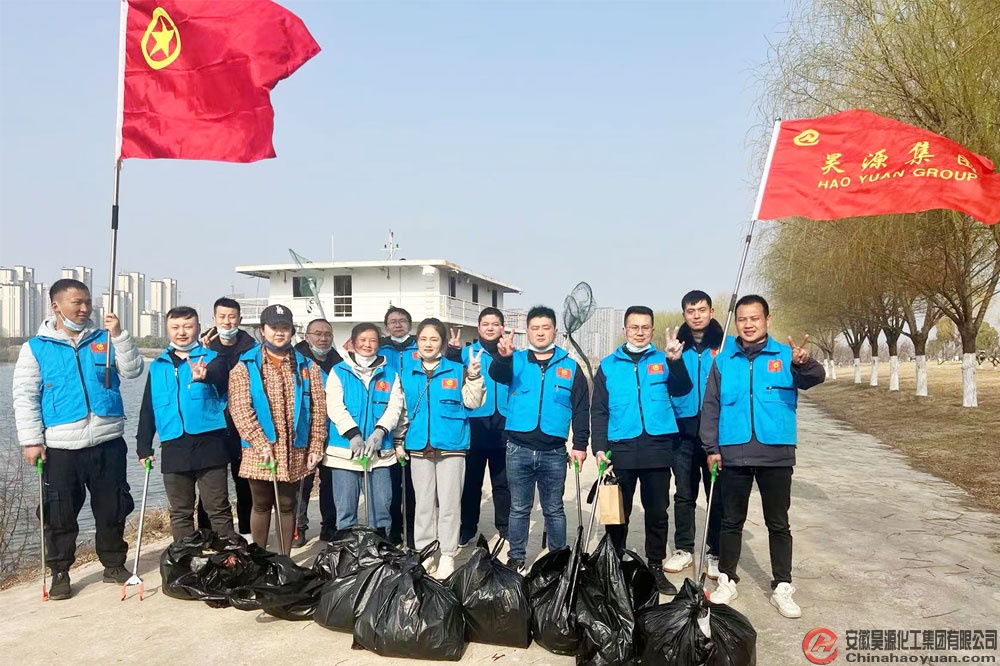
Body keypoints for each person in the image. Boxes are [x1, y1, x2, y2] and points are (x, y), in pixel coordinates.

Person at [12, 278, 144, 600]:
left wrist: (119, 335)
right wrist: (31, 441)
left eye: (88, 302)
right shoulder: (36, 348)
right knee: (59, 514)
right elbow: (25, 397)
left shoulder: (104, 338)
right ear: (56, 306)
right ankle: (60, 571)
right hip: (61, 447)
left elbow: (133, 371)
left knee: (113, 507)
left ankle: (114, 564)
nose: (85, 309)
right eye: (77, 303)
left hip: (107, 441)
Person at [700, 294, 824, 618]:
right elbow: (711, 406)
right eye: (742, 319)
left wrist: (804, 363)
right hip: (734, 451)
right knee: (731, 521)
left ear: (767, 319)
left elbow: (815, 378)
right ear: (736, 323)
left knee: (778, 523)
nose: (748, 324)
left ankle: (782, 585)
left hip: (776, 453)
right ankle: (727, 579)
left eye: (755, 318)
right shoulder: (724, 360)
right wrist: (711, 448)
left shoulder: (786, 355)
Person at [591, 306, 692, 595]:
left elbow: (683, 388)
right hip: (621, 447)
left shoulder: (664, 359)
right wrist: (599, 448)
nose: (639, 332)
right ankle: (614, 564)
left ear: (652, 330)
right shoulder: (609, 365)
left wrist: (675, 362)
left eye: (645, 327)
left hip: (657, 446)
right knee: (616, 511)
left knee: (657, 511)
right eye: (634, 327)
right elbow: (599, 410)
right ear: (625, 330)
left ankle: (655, 566)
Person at [490, 306, 590, 572]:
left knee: (554, 509)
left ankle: (557, 559)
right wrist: (502, 358)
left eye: (546, 328)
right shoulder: (515, 360)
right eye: (535, 328)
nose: (540, 333)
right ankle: (517, 557)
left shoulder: (570, 366)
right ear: (528, 332)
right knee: (519, 508)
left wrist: (580, 445)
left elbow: (581, 409)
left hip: (554, 452)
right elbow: (497, 374)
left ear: (555, 331)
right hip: (518, 449)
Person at [228, 304, 327, 554]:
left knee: (287, 504)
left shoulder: (308, 367)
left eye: (285, 327)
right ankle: (260, 559)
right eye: (273, 327)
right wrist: (261, 445)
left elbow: (318, 409)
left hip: (294, 447)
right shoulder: (245, 366)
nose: (279, 332)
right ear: (262, 330)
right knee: (261, 504)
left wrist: (316, 445)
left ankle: (285, 560)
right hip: (259, 449)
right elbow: (240, 410)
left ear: (292, 331)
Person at [136, 306, 235, 541]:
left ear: (198, 328)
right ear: (168, 330)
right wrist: (143, 447)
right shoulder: (158, 365)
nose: (182, 332)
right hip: (174, 444)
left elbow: (220, 376)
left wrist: (205, 375)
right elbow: (148, 408)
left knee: (217, 507)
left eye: (188, 326)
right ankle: (186, 556)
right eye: (175, 327)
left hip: (210, 444)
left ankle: (227, 555)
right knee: (180, 511)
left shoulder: (213, 359)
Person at [396, 318, 485, 579]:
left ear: (443, 343)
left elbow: (473, 402)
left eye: (434, 339)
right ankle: (426, 553)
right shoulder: (407, 374)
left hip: (451, 447)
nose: (428, 344)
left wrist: (474, 375)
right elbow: (401, 411)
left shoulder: (458, 370)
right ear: (417, 342)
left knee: (449, 505)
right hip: (418, 447)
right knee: (423, 505)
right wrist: (399, 442)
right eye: (423, 339)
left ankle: (447, 554)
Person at [666, 290, 726, 578]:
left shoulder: (725, 347)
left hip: (716, 434)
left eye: (702, 310)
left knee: (716, 495)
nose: (697, 315)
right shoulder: (676, 348)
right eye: (691, 311)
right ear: (684, 315)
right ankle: (684, 549)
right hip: (684, 434)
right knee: (684, 494)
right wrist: (674, 361)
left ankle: (715, 551)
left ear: (711, 312)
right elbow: (674, 387)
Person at [324, 322, 404, 535]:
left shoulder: (390, 374)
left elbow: (395, 407)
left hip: (379, 454)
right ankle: (348, 549)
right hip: (344, 453)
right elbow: (335, 406)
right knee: (346, 510)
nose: (368, 344)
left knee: (381, 508)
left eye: (373, 340)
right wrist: (353, 434)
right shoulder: (338, 371)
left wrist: (380, 431)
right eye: (362, 340)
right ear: (352, 343)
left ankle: (380, 549)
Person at [446, 307, 511, 546]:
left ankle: (505, 526)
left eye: (495, 324)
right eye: (486, 324)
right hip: (474, 424)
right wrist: (452, 352)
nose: (490, 328)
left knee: (503, 482)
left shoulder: (511, 353)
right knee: (471, 482)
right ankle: (467, 528)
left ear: (502, 327)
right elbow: (449, 375)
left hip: (504, 424)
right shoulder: (467, 353)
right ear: (479, 327)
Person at [199, 297, 256, 536]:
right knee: (210, 484)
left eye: (232, 317)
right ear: (214, 319)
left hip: (242, 425)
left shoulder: (252, 347)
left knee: (244, 483)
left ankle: (247, 533)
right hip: (213, 426)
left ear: (239, 319)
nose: (227, 322)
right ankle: (207, 533)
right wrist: (205, 351)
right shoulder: (203, 347)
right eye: (222, 317)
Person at [292, 318, 342, 545]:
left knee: (330, 483)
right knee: (302, 484)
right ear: (307, 336)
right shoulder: (295, 361)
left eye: (327, 334)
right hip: (304, 431)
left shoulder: (339, 363)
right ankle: (298, 528)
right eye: (317, 334)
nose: (323, 338)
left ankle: (329, 526)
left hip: (332, 431)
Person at [379, 306, 418, 546]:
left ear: (410, 325)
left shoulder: (419, 348)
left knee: (412, 485)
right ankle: (393, 530)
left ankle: (412, 531)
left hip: (414, 421)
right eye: (392, 321)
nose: (398, 324)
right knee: (391, 483)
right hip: (387, 420)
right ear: (386, 326)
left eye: (402, 320)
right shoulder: (380, 350)